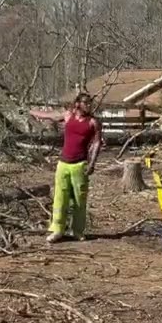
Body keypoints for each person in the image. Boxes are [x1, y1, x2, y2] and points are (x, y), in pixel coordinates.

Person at [47, 92, 103, 244]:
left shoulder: (93, 122)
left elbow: (97, 143)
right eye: (86, 103)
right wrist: (31, 112)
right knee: (60, 197)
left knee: (79, 200)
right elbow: (52, 116)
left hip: (80, 164)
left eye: (90, 103)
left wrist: (92, 163)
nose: (89, 106)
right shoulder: (69, 116)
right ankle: (57, 229)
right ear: (78, 104)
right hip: (63, 164)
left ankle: (77, 231)